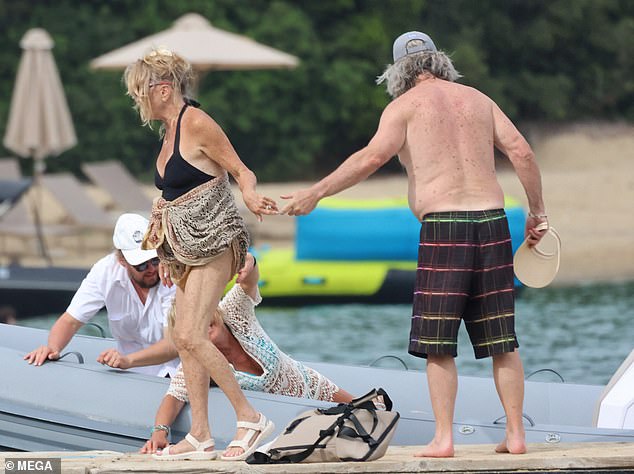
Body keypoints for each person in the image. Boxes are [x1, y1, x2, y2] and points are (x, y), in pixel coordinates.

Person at [280, 31, 549, 458]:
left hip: (444, 228)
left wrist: (317, 193)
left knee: (438, 344)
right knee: (502, 340)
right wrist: (537, 213)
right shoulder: (478, 99)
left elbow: (370, 158)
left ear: (397, 73)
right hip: (494, 223)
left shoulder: (402, 107)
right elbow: (522, 152)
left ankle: (444, 439)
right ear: (440, 63)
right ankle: (516, 435)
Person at [123, 48, 279, 461]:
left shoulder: (196, 123)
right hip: (186, 248)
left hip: (216, 241)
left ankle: (249, 417)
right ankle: (200, 436)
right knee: (184, 339)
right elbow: (172, 193)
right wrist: (169, 252)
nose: (138, 99)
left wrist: (250, 194)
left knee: (192, 335)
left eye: (141, 91)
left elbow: (240, 170)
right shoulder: (169, 131)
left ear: (163, 88)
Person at [101, 253, 354, 456]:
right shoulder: (198, 358)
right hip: (288, 415)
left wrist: (250, 261)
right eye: (191, 327)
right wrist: (159, 432)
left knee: (369, 410)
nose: (201, 328)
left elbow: (249, 281)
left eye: (204, 320)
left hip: (311, 384)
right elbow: (174, 397)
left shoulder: (232, 310)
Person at [24, 213, 179, 377]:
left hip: (174, 370)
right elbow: (71, 320)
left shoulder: (173, 275)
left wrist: (128, 360)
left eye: (155, 260)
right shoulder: (104, 271)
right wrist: (53, 348)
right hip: (127, 372)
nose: (151, 269)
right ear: (122, 261)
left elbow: (173, 345)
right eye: (141, 265)